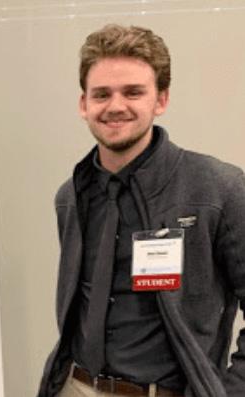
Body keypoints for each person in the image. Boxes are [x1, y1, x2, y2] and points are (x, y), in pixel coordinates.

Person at [38, 24, 245, 397]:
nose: (115, 106)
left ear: (161, 100)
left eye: (133, 92)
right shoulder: (70, 197)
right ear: (84, 104)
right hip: (77, 387)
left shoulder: (217, 189)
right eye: (101, 94)